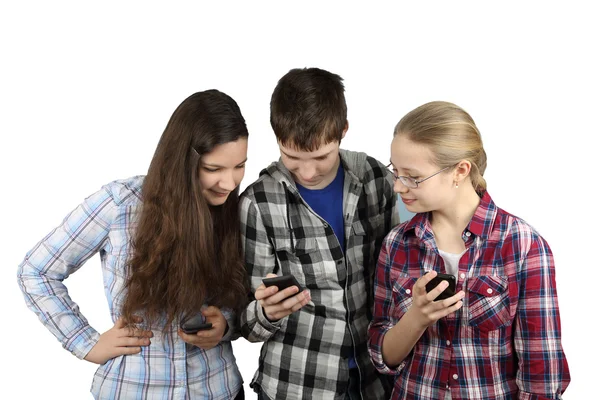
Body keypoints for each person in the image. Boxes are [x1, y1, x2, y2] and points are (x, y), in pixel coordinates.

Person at [17, 90, 250, 399]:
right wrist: (85, 343)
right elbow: (36, 271)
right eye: (213, 169)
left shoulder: (240, 210)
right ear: (181, 161)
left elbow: (247, 296)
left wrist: (226, 325)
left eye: (239, 166)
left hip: (217, 389)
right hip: (134, 390)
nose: (230, 183)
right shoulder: (121, 203)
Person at [368, 101, 570, 399]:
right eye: (395, 171)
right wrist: (417, 318)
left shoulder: (521, 245)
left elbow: (542, 375)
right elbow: (382, 357)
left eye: (412, 176)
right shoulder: (397, 243)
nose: (398, 186)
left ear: (460, 170)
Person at [239, 67, 400, 399]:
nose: (308, 172)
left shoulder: (375, 178)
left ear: (343, 131)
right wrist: (267, 312)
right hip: (296, 384)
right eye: (292, 158)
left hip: (375, 380)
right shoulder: (258, 203)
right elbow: (245, 321)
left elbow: (398, 274)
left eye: (321, 157)